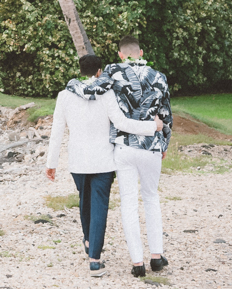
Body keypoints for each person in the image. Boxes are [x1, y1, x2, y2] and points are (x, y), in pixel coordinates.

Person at [45, 54, 162, 278]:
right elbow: (122, 123)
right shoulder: (107, 94)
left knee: (84, 201)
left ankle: (90, 241)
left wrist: (52, 163)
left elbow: (56, 131)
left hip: (77, 162)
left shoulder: (64, 96)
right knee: (98, 205)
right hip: (104, 161)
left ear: (80, 70)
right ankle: (95, 260)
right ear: (99, 71)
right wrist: (153, 127)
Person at [104, 35, 173, 278]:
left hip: (124, 146)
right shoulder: (159, 77)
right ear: (141, 52)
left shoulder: (111, 75)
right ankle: (156, 256)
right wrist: (164, 142)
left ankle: (137, 263)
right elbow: (165, 114)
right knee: (151, 198)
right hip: (151, 145)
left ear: (121, 54)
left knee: (128, 202)